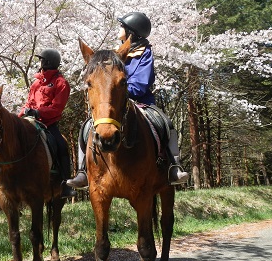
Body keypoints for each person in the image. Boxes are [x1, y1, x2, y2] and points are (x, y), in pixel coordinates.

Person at [67, 12, 190, 188]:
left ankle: (173, 166)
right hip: (117, 102)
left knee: (166, 124)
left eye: (122, 26)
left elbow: (142, 82)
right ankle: (82, 171)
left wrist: (121, 92)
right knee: (87, 126)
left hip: (141, 102)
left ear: (131, 31)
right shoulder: (117, 54)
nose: (119, 29)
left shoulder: (145, 52)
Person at [0, 48, 77, 199]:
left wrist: (39, 112)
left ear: (47, 62)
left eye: (41, 60)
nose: (40, 62)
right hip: (28, 121)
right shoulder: (36, 83)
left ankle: (65, 183)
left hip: (48, 124)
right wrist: (18, 118)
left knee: (61, 145)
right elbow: (28, 103)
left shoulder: (61, 83)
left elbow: (57, 108)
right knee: (4, 140)